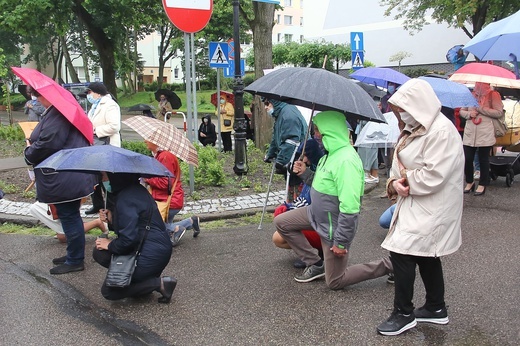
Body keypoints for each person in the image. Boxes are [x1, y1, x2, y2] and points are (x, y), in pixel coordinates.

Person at [376, 78, 463, 336]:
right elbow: (398, 165)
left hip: (432, 206)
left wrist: (406, 181)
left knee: (401, 251)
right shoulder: (414, 127)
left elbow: (434, 175)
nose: (401, 113)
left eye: (405, 107)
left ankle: (403, 313)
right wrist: (395, 182)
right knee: (426, 254)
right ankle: (436, 308)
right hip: (415, 202)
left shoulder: (441, 132)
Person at [274, 110, 392, 287]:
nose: (315, 135)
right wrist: (305, 173)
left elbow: (351, 207)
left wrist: (341, 242)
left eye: (317, 130)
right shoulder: (330, 155)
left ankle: (391, 265)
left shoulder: (346, 160)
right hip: (315, 214)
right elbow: (321, 184)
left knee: (336, 281)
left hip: (331, 226)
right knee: (282, 222)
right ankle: (315, 263)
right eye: (314, 130)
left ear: (329, 131)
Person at [24, 86, 96, 275]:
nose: (37, 99)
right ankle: (73, 254)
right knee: (70, 215)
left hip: (63, 174)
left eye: (38, 95)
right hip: (68, 172)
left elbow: (49, 142)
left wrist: (29, 153)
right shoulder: (60, 112)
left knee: (69, 216)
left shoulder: (58, 114)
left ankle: (75, 260)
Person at [92, 172, 176, 303]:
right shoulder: (135, 190)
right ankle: (143, 280)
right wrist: (112, 218)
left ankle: (158, 284)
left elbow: (128, 241)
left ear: (115, 176)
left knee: (109, 292)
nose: (103, 180)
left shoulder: (126, 198)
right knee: (99, 252)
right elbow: (132, 227)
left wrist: (109, 245)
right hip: (156, 249)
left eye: (104, 176)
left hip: (150, 254)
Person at [271, 138, 324, 268]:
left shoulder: (323, 169)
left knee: (280, 233)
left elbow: (316, 195)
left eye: (307, 155)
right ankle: (314, 252)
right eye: (302, 155)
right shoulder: (312, 166)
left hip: (322, 223)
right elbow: (303, 199)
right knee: (280, 213)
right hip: (313, 216)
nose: (304, 159)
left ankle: (314, 259)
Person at [143, 140, 201, 246]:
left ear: (155, 141)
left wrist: (147, 179)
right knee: (163, 225)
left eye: (148, 139)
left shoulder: (165, 156)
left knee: (154, 224)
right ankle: (191, 221)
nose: (145, 141)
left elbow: (165, 183)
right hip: (170, 199)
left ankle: (176, 230)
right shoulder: (162, 155)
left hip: (168, 200)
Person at [459, 82, 504, 196]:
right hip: (470, 131)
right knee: (467, 158)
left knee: (483, 159)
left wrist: (482, 109)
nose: (478, 85)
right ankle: (469, 182)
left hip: (485, 131)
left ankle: (482, 184)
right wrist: (469, 114)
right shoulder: (470, 95)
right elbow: (461, 111)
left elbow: (499, 112)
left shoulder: (493, 94)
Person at [84, 82, 121, 215]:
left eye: (90, 92)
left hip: (107, 145)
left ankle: (111, 207)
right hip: (95, 145)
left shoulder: (110, 105)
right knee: (94, 177)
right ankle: (97, 204)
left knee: (107, 177)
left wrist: (95, 130)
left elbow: (114, 126)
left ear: (98, 92)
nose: (89, 95)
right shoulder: (95, 105)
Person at [263, 99, 308, 175]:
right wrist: (270, 154)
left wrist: (280, 161)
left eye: (267, 103)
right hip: (292, 155)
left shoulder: (288, 115)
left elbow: (291, 141)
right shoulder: (282, 113)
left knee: (295, 184)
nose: (265, 107)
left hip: (298, 158)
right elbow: (276, 137)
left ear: (275, 102)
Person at [29, 201, 107, 243]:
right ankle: (96, 222)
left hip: (68, 194)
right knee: (62, 237)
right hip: (62, 193)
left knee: (64, 236)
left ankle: (97, 222)